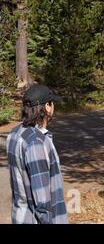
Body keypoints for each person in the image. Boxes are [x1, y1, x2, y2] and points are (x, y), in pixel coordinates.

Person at [6, 84, 68, 224]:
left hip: (20, 217)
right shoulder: (36, 143)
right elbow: (43, 202)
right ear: (47, 106)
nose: (53, 107)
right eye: (52, 103)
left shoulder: (15, 133)